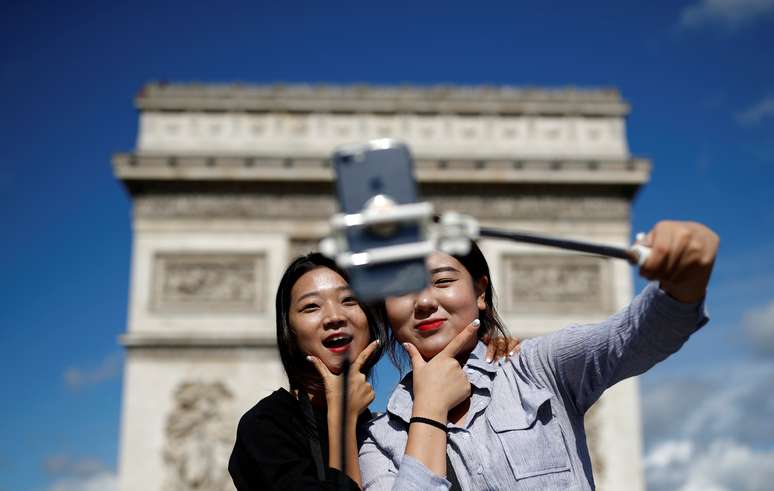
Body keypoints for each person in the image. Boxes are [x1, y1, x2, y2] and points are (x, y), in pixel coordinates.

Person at [359, 220, 719, 490]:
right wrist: (429, 411)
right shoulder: (377, 438)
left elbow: (637, 335)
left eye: (442, 282)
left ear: (480, 292)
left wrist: (687, 276)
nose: (423, 302)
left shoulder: (537, 368)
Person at [228, 253, 518, 490]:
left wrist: (482, 350)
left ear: (371, 319)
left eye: (349, 301)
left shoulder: (383, 428)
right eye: (311, 307)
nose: (334, 317)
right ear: (290, 332)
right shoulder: (266, 427)